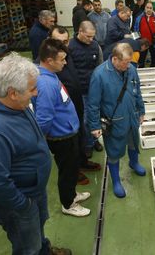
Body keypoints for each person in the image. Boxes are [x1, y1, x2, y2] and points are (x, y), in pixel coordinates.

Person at [0, 53, 72, 255]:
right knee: (27, 246)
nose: (35, 93)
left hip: (33, 190)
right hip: (17, 202)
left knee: (37, 232)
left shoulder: (15, 105)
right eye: (32, 89)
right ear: (12, 92)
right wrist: (24, 206)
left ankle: (44, 250)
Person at [32, 39, 91, 217]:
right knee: (67, 172)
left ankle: (72, 195)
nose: (65, 62)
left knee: (72, 169)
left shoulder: (50, 76)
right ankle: (68, 204)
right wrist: (42, 140)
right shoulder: (46, 84)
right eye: (62, 59)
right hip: (61, 137)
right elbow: (43, 118)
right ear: (49, 61)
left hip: (67, 132)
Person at [87, 43, 146, 198]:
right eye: (125, 63)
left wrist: (141, 111)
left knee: (133, 142)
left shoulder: (131, 69)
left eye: (129, 62)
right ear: (114, 59)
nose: (128, 66)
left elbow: (137, 91)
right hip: (115, 121)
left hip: (132, 117)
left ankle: (134, 163)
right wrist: (94, 125)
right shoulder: (99, 75)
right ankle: (116, 181)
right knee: (114, 151)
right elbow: (93, 104)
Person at [48, 25, 99, 185]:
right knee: (68, 148)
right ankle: (74, 173)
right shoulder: (48, 62)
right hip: (63, 112)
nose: (62, 45)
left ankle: (83, 162)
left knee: (80, 136)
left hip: (76, 103)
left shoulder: (66, 54)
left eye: (65, 41)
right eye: (58, 41)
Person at [68, 21, 104, 158]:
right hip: (79, 90)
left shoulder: (95, 46)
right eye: (88, 36)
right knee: (84, 119)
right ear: (80, 32)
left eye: (92, 36)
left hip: (93, 89)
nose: (91, 39)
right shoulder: (70, 46)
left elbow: (100, 66)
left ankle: (93, 140)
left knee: (94, 116)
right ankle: (87, 144)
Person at [134, 1, 155, 68]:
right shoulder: (139, 18)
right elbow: (135, 29)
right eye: (147, 7)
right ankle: (141, 72)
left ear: (153, 9)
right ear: (145, 8)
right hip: (142, 43)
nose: (149, 9)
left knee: (154, 59)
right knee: (141, 60)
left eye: (150, 8)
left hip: (153, 43)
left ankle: (154, 70)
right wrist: (137, 41)